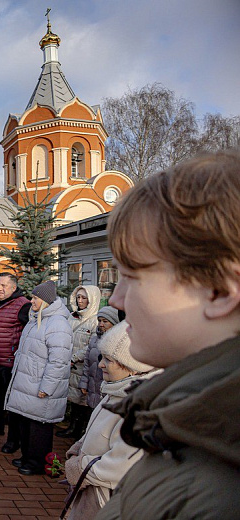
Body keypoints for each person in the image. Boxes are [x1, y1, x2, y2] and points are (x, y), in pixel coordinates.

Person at [92, 150, 240, 519]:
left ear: (219, 290)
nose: (117, 297)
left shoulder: (217, 490)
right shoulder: (188, 433)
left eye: (134, 275)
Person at [63, 321, 159, 519]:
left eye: (108, 360)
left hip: (104, 500)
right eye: (101, 357)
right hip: (92, 492)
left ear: (132, 366)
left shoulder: (137, 407)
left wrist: (80, 466)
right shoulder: (114, 390)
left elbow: (120, 466)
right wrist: (79, 447)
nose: (100, 364)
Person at [4, 280, 72, 475]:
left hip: (41, 384)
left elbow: (58, 361)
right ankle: (27, 456)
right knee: (27, 422)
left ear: (45, 300)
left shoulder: (58, 324)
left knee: (39, 426)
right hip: (29, 381)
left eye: (35, 298)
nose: (31, 301)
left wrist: (47, 387)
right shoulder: (37, 318)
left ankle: (37, 462)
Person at [0, 272, 31, 453]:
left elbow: (28, 334)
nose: (0, 289)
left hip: (10, 362)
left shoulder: (22, 305)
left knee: (12, 403)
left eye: (4, 286)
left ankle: (13, 440)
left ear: (13, 287)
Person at [58, 285, 102, 439]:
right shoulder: (71, 316)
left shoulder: (95, 321)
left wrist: (74, 357)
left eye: (84, 298)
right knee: (74, 399)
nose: (80, 301)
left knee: (83, 400)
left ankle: (80, 430)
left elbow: (92, 345)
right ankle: (72, 426)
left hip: (83, 367)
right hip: (70, 366)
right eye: (78, 297)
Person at [78, 306, 120, 409]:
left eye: (105, 321)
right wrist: (84, 383)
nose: (101, 324)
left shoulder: (118, 343)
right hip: (93, 389)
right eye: (99, 320)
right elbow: (87, 364)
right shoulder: (94, 340)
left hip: (107, 392)